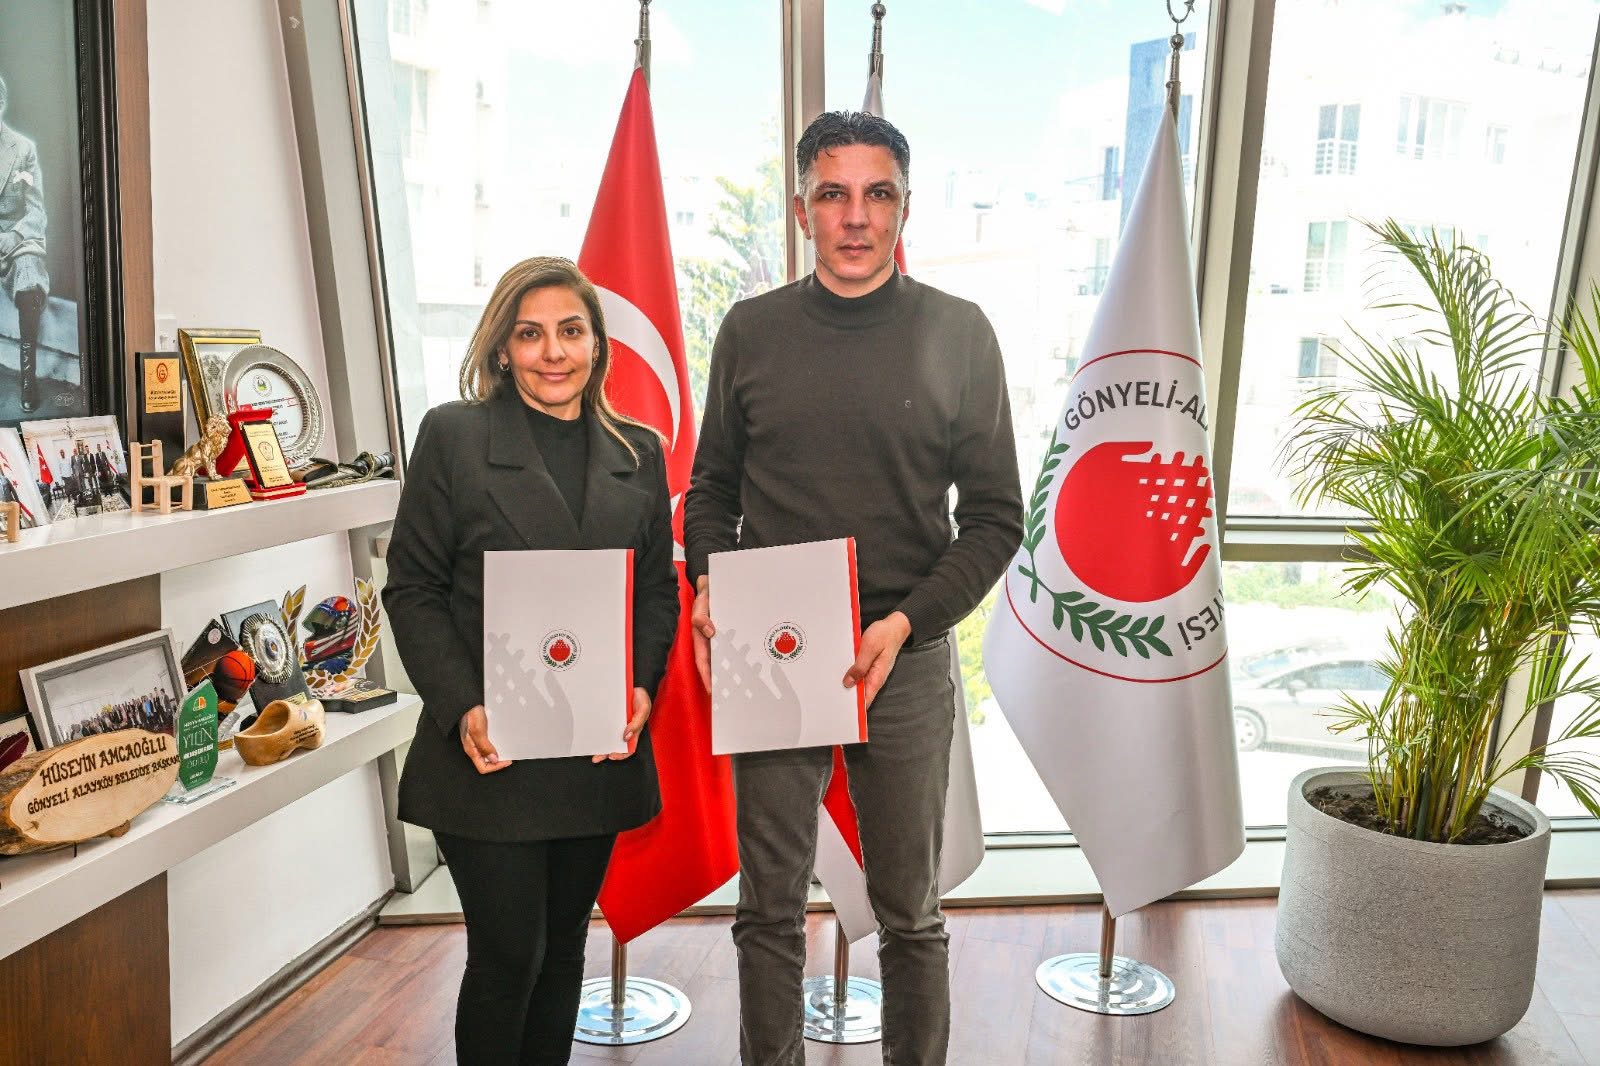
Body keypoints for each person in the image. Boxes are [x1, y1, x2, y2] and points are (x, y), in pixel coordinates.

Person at [684, 111, 1024, 1065]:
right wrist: (709, 583)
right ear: (802, 210)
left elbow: (996, 518)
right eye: (833, 194)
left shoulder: (961, 333)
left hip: (902, 657)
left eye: (879, 194)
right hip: (773, 650)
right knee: (768, 910)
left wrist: (906, 622)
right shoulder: (750, 331)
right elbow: (709, 490)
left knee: (911, 913)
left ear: (906, 208)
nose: (856, 216)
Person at [384, 256, 680, 1066]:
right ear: (502, 349)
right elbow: (412, 588)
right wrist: (462, 706)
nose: (554, 352)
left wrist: (642, 685)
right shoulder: (455, 436)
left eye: (571, 331)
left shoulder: (640, 452)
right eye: (531, 334)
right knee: (508, 957)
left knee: (563, 953)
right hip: (488, 751)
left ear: (597, 344)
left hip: (591, 753)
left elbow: (657, 591)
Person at [0, 73, 49, 414]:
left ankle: (28, 379)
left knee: (29, 274)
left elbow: (36, 211)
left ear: (1, 104)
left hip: (15, 240)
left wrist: (12, 237)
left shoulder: (23, 149)